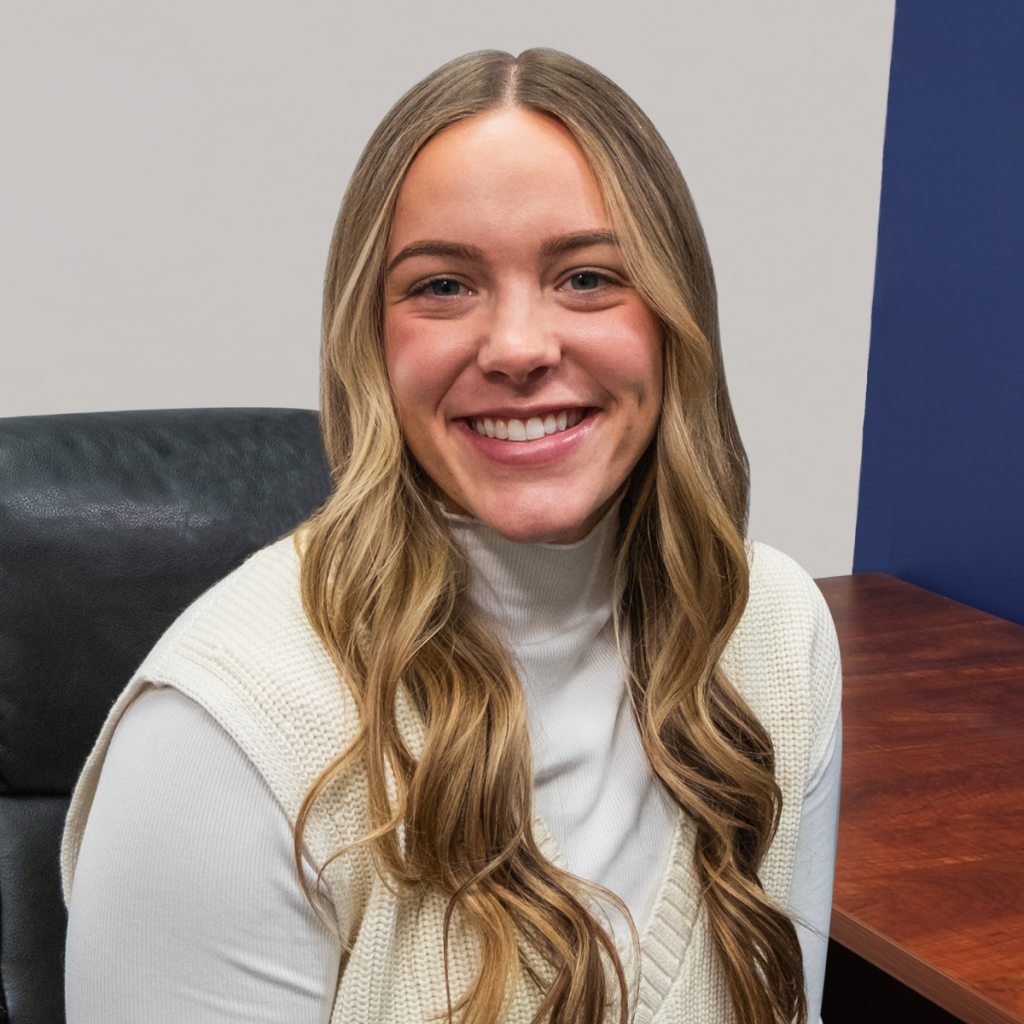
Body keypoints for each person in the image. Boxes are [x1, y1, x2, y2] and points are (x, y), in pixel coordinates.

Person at [62, 48, 841, 1024]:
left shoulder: (772, 632)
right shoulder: (220, 742)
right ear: (370, 340)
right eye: (441, 286)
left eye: (588, 276)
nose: (518, 346)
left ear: (673, 319)